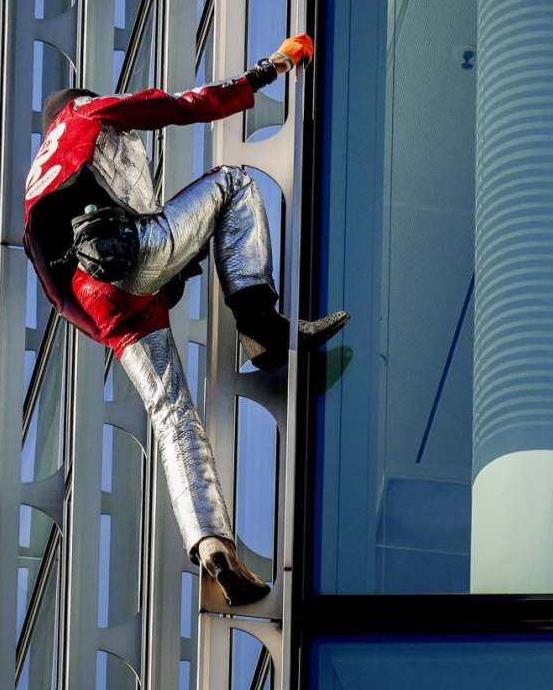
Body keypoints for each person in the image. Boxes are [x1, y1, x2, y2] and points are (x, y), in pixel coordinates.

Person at [22, 34, 347, 606]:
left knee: (174, 416)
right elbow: (179, 104)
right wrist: (266, 72)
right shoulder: (85, 114)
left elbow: (58, 293)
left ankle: (212, 546)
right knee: (233, 183)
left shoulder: (34, 194)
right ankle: (260, 326)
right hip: (132, 254)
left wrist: (128, 310)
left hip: (105, 305)